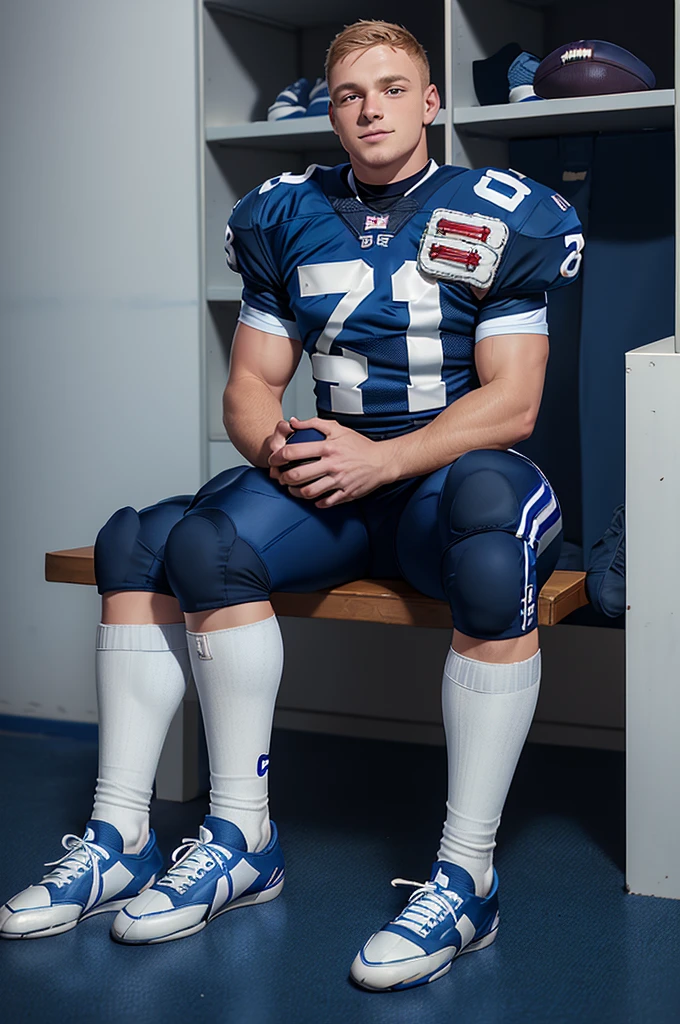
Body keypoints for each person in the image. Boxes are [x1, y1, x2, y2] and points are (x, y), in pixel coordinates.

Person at [0, 20, 582, 991]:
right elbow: (249, 389)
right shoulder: (285, 211)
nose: (371, 109)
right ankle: (223, 835)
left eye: (393, 89)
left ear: (429, 103)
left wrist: (378, 460)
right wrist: (291, 452)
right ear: (331, 109)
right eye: (351, 94)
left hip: (448, 478)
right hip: (340, 479)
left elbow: (512, 400)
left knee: (491, 550)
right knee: (184, 539)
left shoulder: (501, 207)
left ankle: (465, 874)